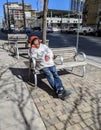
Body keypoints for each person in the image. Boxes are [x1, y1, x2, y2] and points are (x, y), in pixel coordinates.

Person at [29, 36, 72, 100]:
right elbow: (33, 57)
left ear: (38, 40)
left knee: (55, 74)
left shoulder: (43, 46)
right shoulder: (32, 49)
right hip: (42, 65)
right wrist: (42, 55)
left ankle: (60, 90)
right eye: (34, 41)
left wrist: (48, 56)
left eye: (36, 40)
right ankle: (59, 91)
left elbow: (50, 51)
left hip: (50, 63)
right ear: (32, 43)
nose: (36, 42)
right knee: (50, 75)